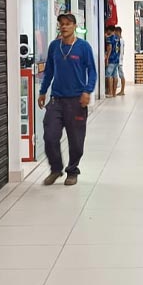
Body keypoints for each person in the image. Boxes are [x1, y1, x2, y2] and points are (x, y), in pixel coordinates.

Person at [38, 13, 98, 186]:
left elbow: (92, 71)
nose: (64, 27)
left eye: (67, 24)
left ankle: (72, 171)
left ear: (74, 26)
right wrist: (43, 92)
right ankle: (56, 169)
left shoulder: (83, 47)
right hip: (56, 100)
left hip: (76, 101)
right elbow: (49, 71)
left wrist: (88, 91)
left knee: (76, 141)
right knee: (50, 137)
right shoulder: (54, 47)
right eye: (61, 24)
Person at [104, 26, 120, 97]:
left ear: (110, 30)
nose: (107, 32)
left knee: (108, 75)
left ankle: (110, 92)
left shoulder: (109, 38)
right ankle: (114, 93)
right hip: (117, 59)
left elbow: (109, 48)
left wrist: (107, 58)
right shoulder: (117, 38)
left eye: (108, 31)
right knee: (115, 76)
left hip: (111, 59)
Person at [114, 26, 127, 96]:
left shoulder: (120, 41)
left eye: (115, 32)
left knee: (121, 75)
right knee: (119, 75)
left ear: (118, 32)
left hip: (119, 61)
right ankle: (118, 91)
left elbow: (120, 51)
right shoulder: (119, 40)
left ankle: (122, 91)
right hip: (119, 60)